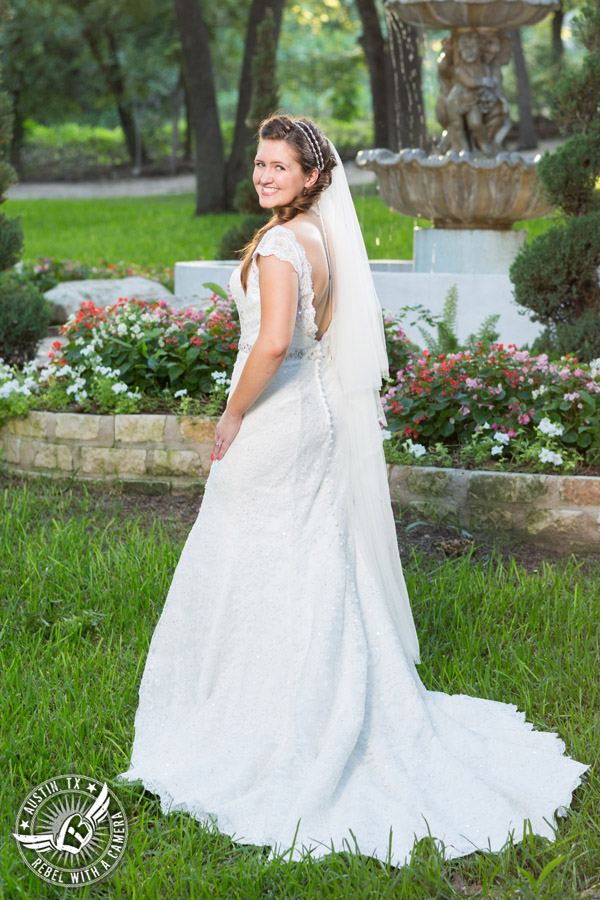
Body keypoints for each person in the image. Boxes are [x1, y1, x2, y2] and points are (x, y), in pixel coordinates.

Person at [117, 114, 588, 867]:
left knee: (255, 553)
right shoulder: (323, 238)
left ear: (311, 177)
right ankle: (317, 691)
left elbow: (273, 344)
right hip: (319, 420)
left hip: (276, 421)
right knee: (308, 556)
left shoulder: (277, 244)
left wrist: (231, 415)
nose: (265, 176)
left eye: (280, 167)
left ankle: (265, 719)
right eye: (261, 164)